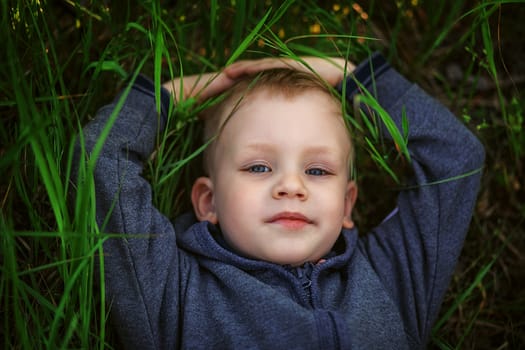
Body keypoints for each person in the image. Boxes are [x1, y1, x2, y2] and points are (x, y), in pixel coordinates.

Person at [74, 52, 485, 349]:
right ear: (208, 202)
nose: (291, 186)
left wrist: (356, 78)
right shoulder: (173, 291)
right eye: (258, 167)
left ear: (346, 206)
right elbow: (100, 162)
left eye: (318, 171)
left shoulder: (390, 279)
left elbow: (455, 159)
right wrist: (165, 98)